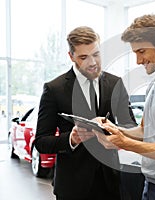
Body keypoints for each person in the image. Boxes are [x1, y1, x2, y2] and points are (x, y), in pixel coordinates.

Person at [95, 14, 155, 200]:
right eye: (135, 54)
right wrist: (116, 130)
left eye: (141, 51)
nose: (138, 61)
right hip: (151, 183)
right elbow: (144, 131)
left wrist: (125, 144)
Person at [34, 26, 136, 200]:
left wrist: (115, 131)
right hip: (72, 186)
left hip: (110, 183)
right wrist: (71, 139)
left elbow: (130, 125)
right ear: (71, 56)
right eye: (83, 57)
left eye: (96, 54)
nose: (93, 63)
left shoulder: (115, 83)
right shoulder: (54, 89)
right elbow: (41, 142)